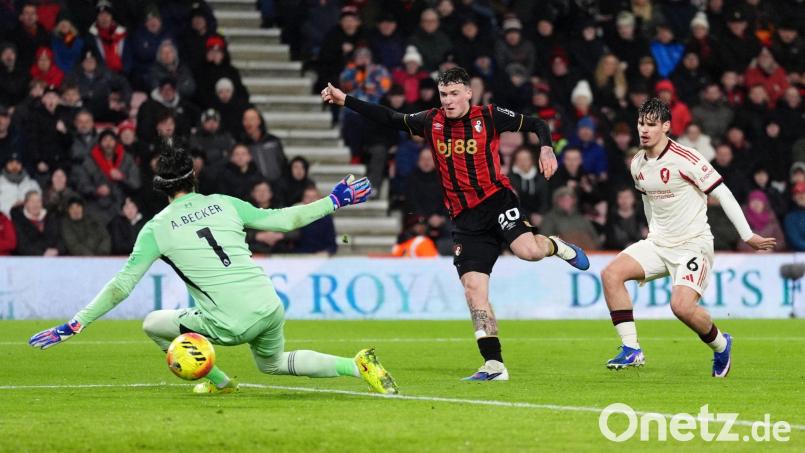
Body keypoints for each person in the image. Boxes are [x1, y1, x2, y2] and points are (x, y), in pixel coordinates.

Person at [28, 141, 397, 396]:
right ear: (194, 178)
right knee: (273, 364)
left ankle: (219, 381)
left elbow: (122, 286)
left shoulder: (156, 228)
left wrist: (76, 323)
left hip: (229, 323)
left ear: (161, 187)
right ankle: (356, 365)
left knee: (153, 325)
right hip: (269, 305)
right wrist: (335, 199)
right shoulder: (223, 203)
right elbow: (284, 220)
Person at [322, 67, 589, 381]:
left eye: (453, 94)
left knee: (529, 251)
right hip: (464, 219)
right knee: (474, 290)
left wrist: (546, 147)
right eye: (443, 94)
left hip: (497, 201)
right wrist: (347, 101)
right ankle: (494, 364)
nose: (447, 101)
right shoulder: (431, 121)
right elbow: (390, 118)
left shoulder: (488, 116)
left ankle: (555, 245)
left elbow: (536, 123)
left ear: (468, 93)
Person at [599, 98, 776, 377]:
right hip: (659, 243)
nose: (643, 130)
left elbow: (723, 193)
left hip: (693, 244)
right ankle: (631, 349)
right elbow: (648, 201)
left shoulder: (686, 158)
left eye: (651, 125)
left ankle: (721, 345)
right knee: (611, 274)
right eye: (641, 123)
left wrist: (747, 234)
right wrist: (652, 229)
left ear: (666, 127)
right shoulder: (637, 163)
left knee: (681, 307)